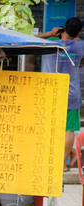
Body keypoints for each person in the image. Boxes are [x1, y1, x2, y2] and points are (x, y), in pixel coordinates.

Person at [37, 17, 84, 172]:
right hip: (71, 94)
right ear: (77, 33)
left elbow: (29, 40)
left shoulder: (50, 45)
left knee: (50, 127)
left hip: (52, 93)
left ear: (63, 29)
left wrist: (50, 33)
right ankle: (63, 164)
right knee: (68, 129)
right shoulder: (80, 46)